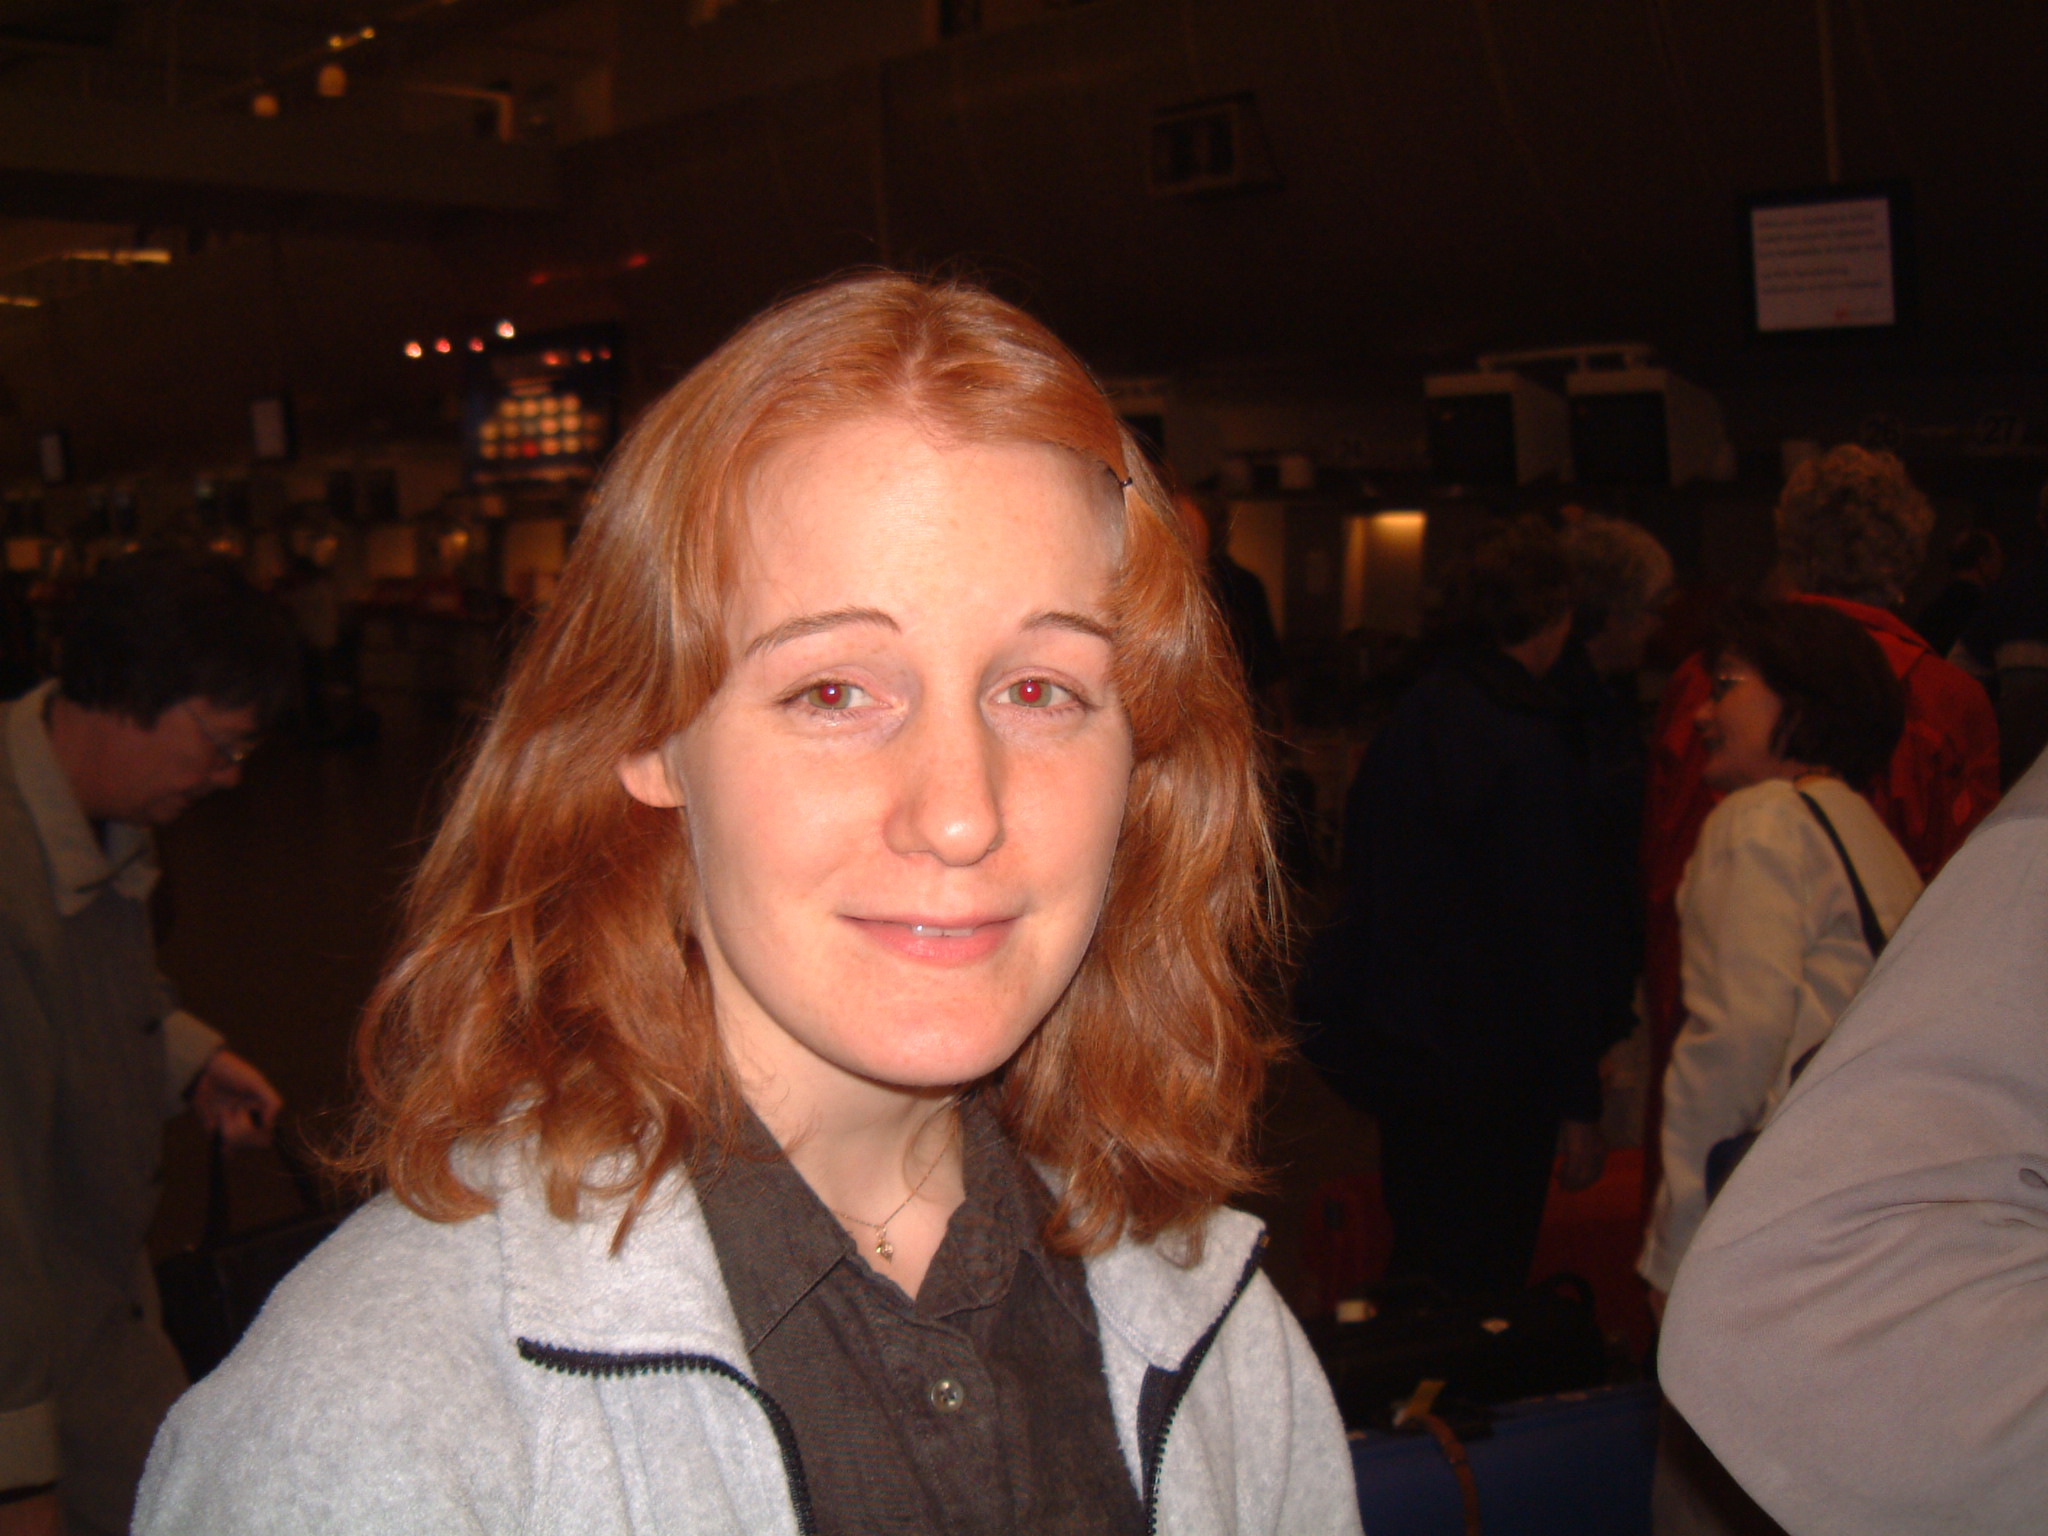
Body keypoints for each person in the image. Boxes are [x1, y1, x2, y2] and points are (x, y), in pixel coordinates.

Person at [134, 274, 1359, 1536]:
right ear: (648, 731)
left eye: (1041, 691)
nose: (958, 815)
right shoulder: (372, 1428)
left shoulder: (1222, 1341)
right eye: (833, 692)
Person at [1656, 742, 2048, 1536]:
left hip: (1801, 1207)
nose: (1701, 711)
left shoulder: (1758, 818)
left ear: (1794, 702)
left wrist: (1677, 1242)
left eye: (1730, 685)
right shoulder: (1857, 819)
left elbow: (1739, 1035)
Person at [0, 549, 290, 1536]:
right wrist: (19, 1479)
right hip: (34, 1370)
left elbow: (85, 993)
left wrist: (182, 1057)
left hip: (100, 1321)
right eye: (220, 744)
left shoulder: (102, 818)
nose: (228, 777)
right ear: (129, 694)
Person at [1639, 446, 1997, 1230]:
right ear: (1907, 557)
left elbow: (1665, 871)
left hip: (1720, 1017)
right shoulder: (1947, 697)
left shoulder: (1711, 683)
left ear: (1792, 547)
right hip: (1879, 1060)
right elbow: (1971, 905)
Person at [1300, 517, 1623, 1298]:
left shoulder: (1416, 717)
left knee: (1422, 1257)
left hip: (1408, 1052)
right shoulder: (1533, 745)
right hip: (1499, 1070)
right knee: (1484, 1277)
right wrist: (1578, 1099)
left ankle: (1412, 1368)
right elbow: (1554, 937)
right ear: (1557, 618)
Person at [1953, 480, 2048, 786]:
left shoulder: (2011, 594)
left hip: (2017, 774)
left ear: (2041, 521)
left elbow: (1956, 682)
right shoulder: (2012, 594)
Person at [1913, 527, 2001, 662]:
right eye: (1997, 557)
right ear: (1982, 561)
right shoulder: (1985, 612)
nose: (2001, 564)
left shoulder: (1932, 610)